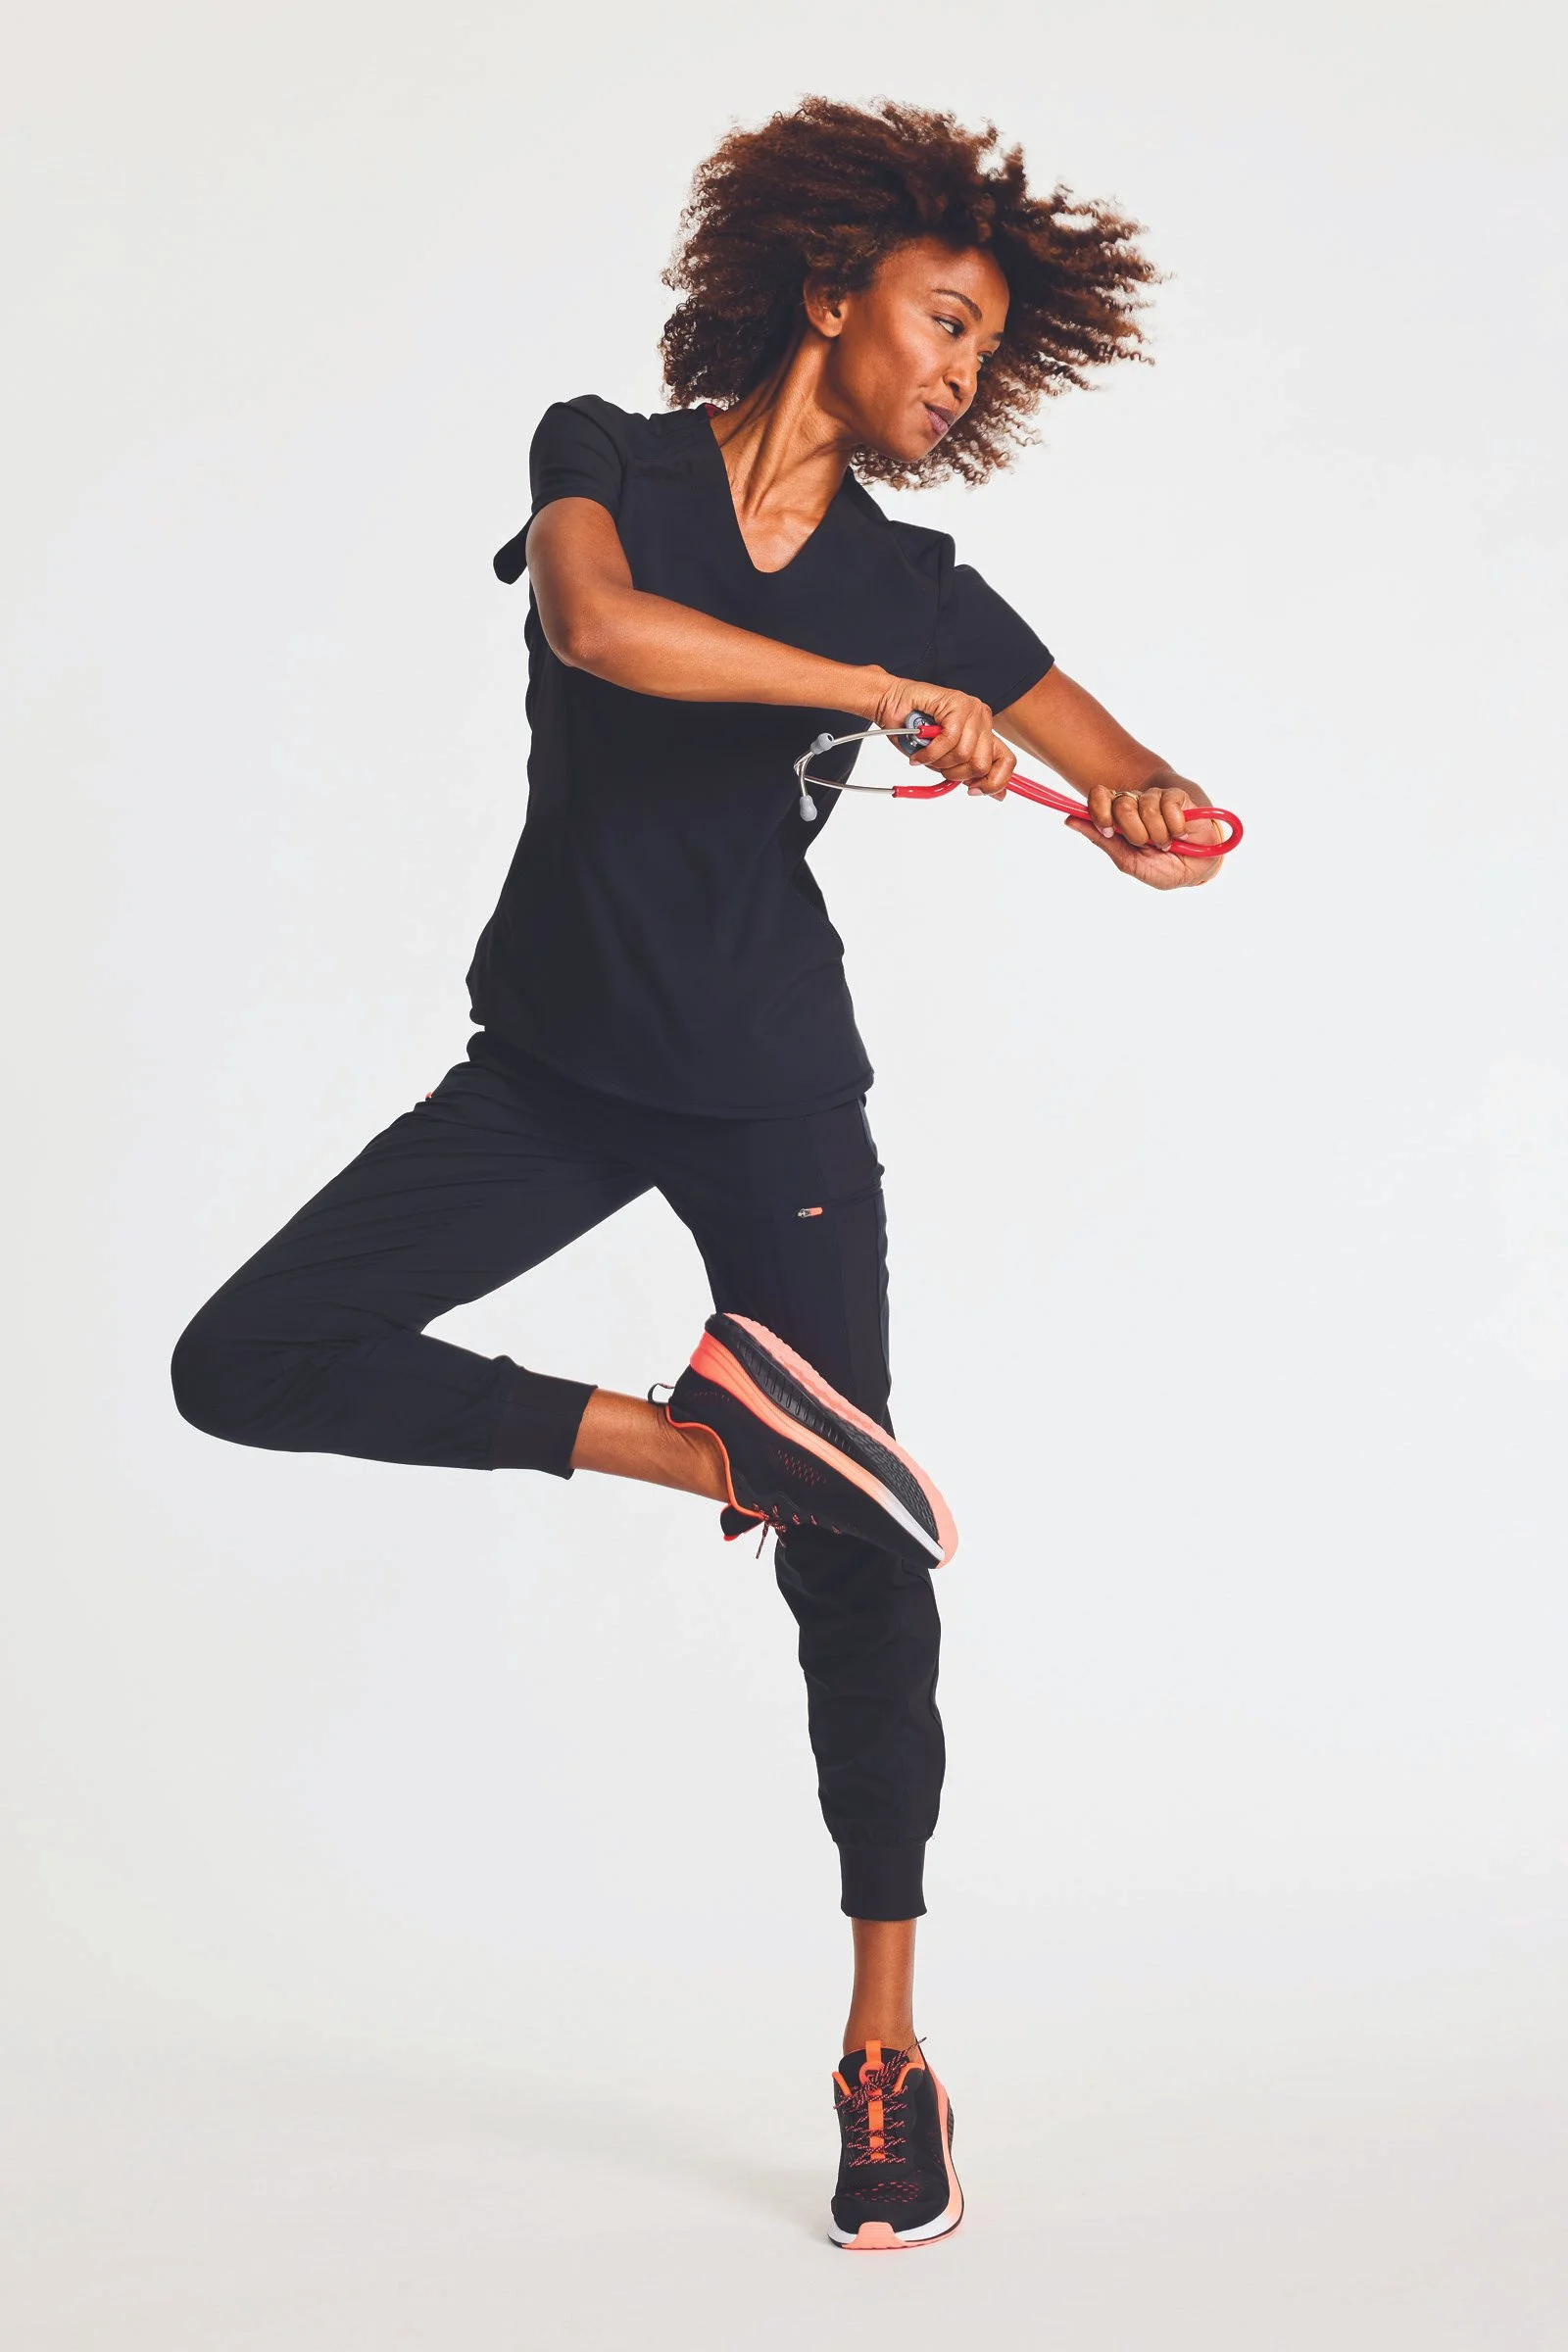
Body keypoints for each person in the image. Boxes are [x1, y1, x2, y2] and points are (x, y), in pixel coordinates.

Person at [171, 95, 1224, 2250]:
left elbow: (1126, 772)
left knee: (867, 1562)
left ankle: (881, 2051)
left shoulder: (924, 579)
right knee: (249, 1356)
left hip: (764, 1092)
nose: (952, 368)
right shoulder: (609, 462)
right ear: (827, 290)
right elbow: (601, 636)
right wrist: (870, 691)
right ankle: (695, 1445)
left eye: (977, 347)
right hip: (549, 1071)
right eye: (937, 318)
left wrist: (1149, 814)